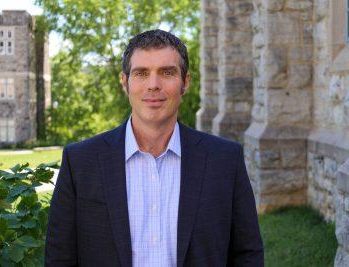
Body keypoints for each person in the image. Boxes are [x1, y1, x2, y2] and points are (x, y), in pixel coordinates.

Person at [45, 29, 263, 267]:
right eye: (141, 73)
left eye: (167, 73)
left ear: (185, 82)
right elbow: (60, 258)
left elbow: (247, 254)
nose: (153, 85)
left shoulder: (224, 161)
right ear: (124, 82)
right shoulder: (80, 162)